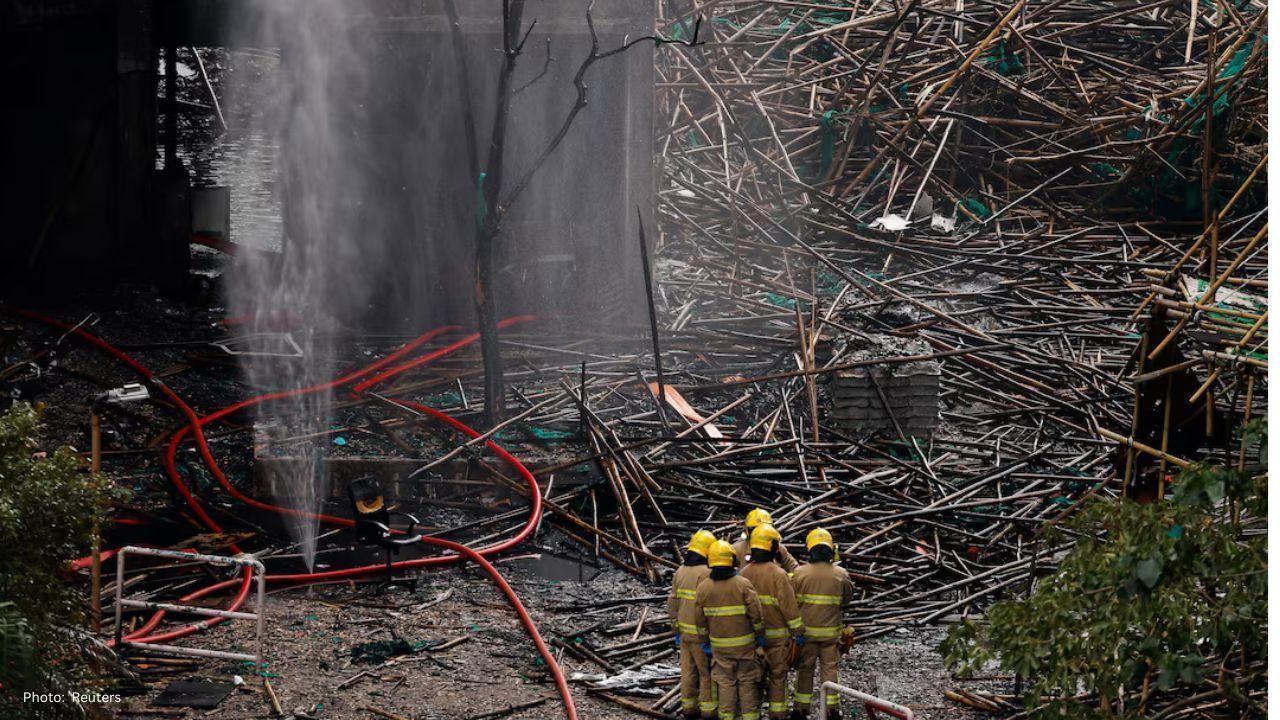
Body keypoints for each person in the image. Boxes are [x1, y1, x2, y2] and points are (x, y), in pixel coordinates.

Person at [738, 524, 805, 720]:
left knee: (754, 681)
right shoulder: (779, 575)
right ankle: (777, 715)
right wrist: (798, 632)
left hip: (752, 641)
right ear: (772, 547)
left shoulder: (743, 574)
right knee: (777, 679)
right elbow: (789, 608)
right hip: (777, 641)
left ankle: (751, 715)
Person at [694, 540, 766, 720]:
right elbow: (756, 614)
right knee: (747, 681)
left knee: (725, 683)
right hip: (745, 647)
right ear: (732, 561)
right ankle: (750, 717)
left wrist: (705, 641)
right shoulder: (743, 584)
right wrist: (759, 635)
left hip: (719, 647)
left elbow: (699, 620)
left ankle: (727, 716)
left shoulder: (703, 588)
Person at [790, 528, 854, 720]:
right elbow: (847, 599)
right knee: (830, 670)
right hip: (830, 635)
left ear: (810, 549)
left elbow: (791, 601)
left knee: (805, 671)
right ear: (831, 550)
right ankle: (832, 710)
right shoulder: (841, 574)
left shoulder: (798, 573)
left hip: (806, 635)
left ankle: (801, 709)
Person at [669, 530, 719, 719]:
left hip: (684, 633)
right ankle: (708, 710)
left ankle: (689, 708)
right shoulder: (707, 573)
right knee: (706, 673)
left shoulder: (680, 571)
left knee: (688, 671)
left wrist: (676, 628)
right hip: (701, 634)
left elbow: (672, 602)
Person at [731, 508, 798, 572]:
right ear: (748, 530)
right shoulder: (736, 550)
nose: (760, 532)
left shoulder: (778, 548)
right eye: (755, 529)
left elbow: (794, 569)